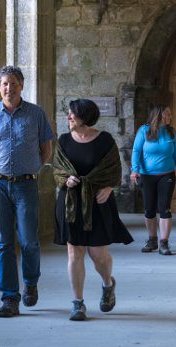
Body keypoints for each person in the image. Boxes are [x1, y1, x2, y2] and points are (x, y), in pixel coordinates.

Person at [0, 66, 55, 318]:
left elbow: (46, 150)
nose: (8, 88)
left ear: (21, 85)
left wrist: (30, 169)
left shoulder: (36, 114)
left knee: (29, 239)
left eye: (12, 83)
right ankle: (10, 297)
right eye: (4, 84)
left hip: (26, 184)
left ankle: (30, 281)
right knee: (4, 242)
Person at [52, 98, 133, 321]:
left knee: (98, 255)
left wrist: (108, 188)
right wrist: (65, 179)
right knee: (74, 252)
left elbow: (115, 171)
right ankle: (78, 304)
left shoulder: (105, 140)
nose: (68, 117)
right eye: (68, 113)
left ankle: (108, 283)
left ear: (84, 117)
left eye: (72, 114)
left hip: (98, 203)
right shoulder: (64, 140)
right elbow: (57, 169)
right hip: (71, 204)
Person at [130, 104, 176, 256]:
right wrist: (134, 170)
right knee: (149, 209)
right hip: (146, 175)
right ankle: (152, 240)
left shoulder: (170, 132)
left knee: (165, 208)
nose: (170, 117)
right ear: (159, 116)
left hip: (166, 175)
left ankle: (164, 243)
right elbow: (136, 151)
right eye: (167, 114)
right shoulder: (144, 130)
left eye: (170, 114)